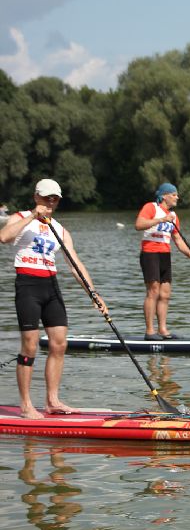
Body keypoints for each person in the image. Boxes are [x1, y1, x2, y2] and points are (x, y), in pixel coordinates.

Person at [0, 178, 107, 419]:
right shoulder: (20, 217)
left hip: (51, 286)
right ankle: (26, 405)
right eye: (47, 198)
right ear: (36, 197)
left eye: (55, 199)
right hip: (28, 285)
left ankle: (52, 401)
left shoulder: (60, 230)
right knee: (30, 344)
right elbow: (4, 237)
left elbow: (74, 264)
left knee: (60, 343)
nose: (51, 202)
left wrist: (94, 294)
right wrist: (32, 217)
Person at [134, 182, 190, 340]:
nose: (177, 197)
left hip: (165, 254)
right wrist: (161, 219)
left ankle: (163, 330)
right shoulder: (151, 207)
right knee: (153, 291)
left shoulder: (174, 217)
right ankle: (149, 331)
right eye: (174, 194)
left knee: (165, 294)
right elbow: (138, 224)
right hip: (149, 253)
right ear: (164, 196)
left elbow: (178, 241)